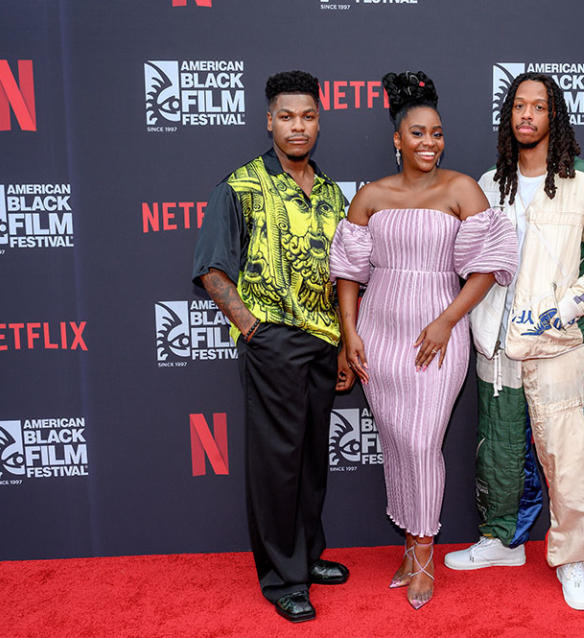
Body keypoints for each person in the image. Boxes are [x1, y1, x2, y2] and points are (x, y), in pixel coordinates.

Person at [330, 71, 517, 610]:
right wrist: (350, 334)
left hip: (438, 335)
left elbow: (487, 267)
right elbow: (348, 272)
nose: (429, 143)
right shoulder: (370, 196)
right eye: (417, 133)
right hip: (380, 335)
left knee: (421, 442)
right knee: (396, 442)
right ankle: (410, 546)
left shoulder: (462, 189)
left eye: (436, 133)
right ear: (397, 138)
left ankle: (424, 552)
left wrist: (446, 320)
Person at [443, 72, 584, 611]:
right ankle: (502, 541)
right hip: (494, 345)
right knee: (497, 452)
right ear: (509, 117)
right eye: (518, 106)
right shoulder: (487, 182)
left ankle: (574, 558)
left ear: (555, 116)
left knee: (565, 457)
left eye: (538, 107)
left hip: (558, 344)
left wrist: (558, 312)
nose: (527, 115)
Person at [191, 70, 355, 624]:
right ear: (269, 120)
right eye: (286, 116)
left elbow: (343, 276)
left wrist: (338, 345)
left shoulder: (332, 192)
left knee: (311, 459)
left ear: (319, 118)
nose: (298, 126)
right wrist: (254, 330)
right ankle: (282, 577)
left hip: (323, 341)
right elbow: (213, 272)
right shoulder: (240, 185)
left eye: (308, 115)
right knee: (276, 463)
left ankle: (307, 557)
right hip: (273, 341)